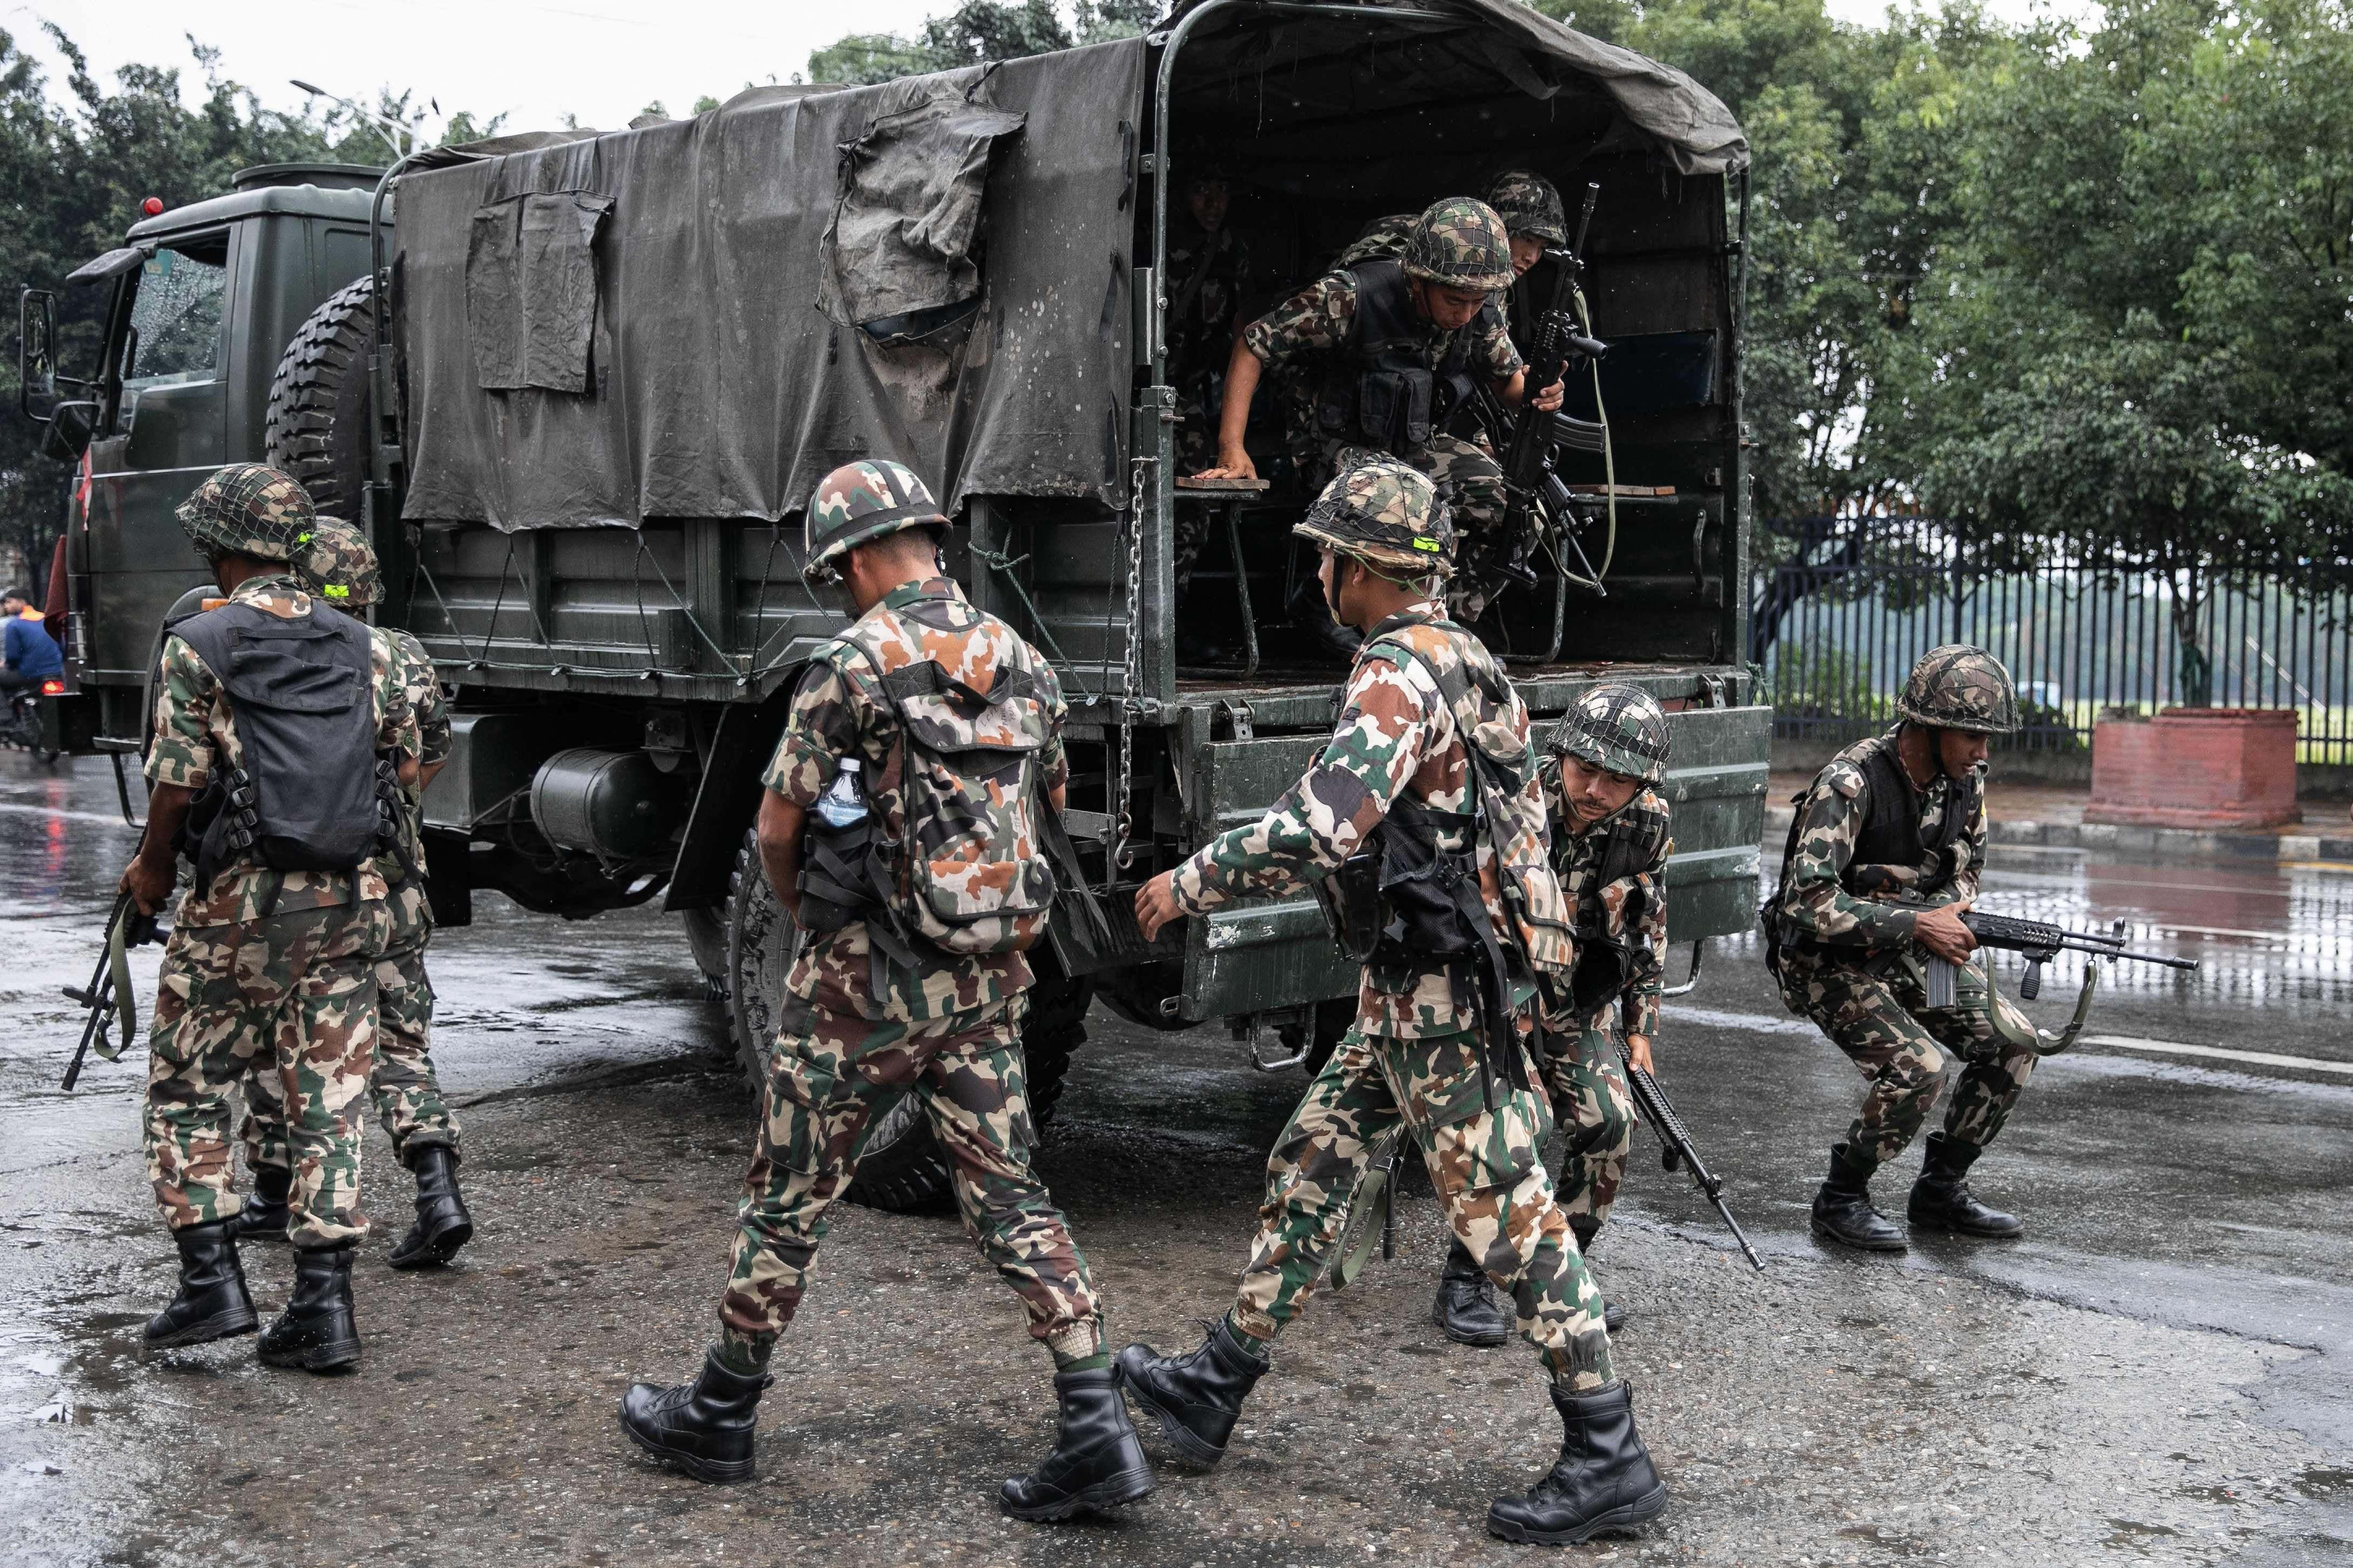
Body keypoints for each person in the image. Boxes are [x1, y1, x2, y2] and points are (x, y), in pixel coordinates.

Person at [1122, 454, 1667, 1547]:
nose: (1318, 572)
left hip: (1439, 994)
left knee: (1508, 1211)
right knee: (1315, 1159)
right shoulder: (1469, 660)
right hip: (1415, 984)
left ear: (1361, 569)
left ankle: (1608, 1451)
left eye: (1327, 556)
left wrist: (1189, 883)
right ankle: (1216, 1382)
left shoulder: (1395, 675)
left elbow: (1324, 825)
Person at [618, 459, 1152, 1521]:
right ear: (931, 540)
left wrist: (813, 918)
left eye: (834, 576)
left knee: (791, 1191)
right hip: (989, 979)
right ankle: (1096, 1427)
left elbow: (776, 827)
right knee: (1009, 1196)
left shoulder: (852, 665)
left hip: (860, 983)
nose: (838, 593)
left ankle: (721, 1413)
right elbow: (1044, 814)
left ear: (860, 558)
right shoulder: (1025, 662)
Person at [125, 464, 415, 1373]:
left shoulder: (201, 639)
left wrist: (152, 865)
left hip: (245, 902)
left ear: (217, 548)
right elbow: (404, 770)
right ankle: (324, 1309)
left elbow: (177, 779)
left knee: (189, 1080)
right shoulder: (368, 644)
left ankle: (212, 1283)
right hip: (352, 898)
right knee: (330, 1100)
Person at [231, 523, 474, 1269]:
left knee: (284, 1033)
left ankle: (275, 1194)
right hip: (398, 884)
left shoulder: (287, 649)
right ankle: (438, 1193)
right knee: (402, 1040)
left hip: (314, 885)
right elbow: (427, 758)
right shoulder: (403, 652)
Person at [1764, 644, 2037, 1252]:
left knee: (2013, 1042)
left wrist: (1950, 916)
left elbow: (1967, 872)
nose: (1981, 752)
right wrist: (1916, 926)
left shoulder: (1966, 783)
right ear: (1928, 726)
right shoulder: (1850, 783)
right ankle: (1840, 1198)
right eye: (1971, 736)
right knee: (1919, 1065)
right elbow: (1803, 902)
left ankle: (1940, 1191)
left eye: (1987, 739)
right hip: (1820, 961)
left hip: (1911, 948)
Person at [1192, 196, 1566, 627]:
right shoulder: (1352, 296)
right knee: (1401, 501)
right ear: (1419, 279)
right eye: (1454, 300)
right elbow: (1255, 342)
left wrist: (1543, 388)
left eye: (1477, 302)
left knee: (1519, 512)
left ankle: (1439, 628)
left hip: (1410, 446)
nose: (1465, 315)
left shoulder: (1476, 307)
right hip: (1335, 445)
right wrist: (1231, 448)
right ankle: (1327, 605)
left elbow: (1509, 384)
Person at [1429, 682, 1671, 1347]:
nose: (1594, 789)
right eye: (1584, 769)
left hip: (1575, 1002)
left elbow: (1647, 927)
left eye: (1616, 780)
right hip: (1497, 997)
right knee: (1517, 1128)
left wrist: (1638, 1028)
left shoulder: (1647, 824)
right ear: (1561, 754)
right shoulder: (1510, 806)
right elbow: (1465, 915)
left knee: (1609, 1121)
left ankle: (1562, 1271)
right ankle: (1468, 1276)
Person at [1167, 161, 1255, 605]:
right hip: (1143, 395)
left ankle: (1175, 613)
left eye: (1222, 188)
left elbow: (1243, 329)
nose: (1213, 202)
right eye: (1202, 189)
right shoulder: (1158, 247)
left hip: (1190, 397)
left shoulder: (1231, 251)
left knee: (1193, 504)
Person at [1483, 168, 1572, 357]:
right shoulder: (1435, 258)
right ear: (1497, 227)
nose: (1531, 258)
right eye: (1528, 240)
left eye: (1542, 248)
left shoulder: (1498, 290)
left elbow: (1504, 373)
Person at [1, 584, 63, 693]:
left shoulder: (15, 624)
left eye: (9, 602)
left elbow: (13, 657)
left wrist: (7, 665)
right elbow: (63, 648)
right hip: (56, 673)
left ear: (21, 602)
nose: (5, 606)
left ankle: (5, 709)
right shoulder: (47, 619)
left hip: (30, 674)